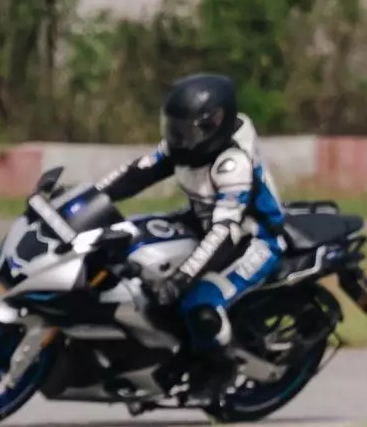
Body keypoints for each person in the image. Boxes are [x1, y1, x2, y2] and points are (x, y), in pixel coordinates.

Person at [87, 72, 292, 370]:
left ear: (214, 124)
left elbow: (223, 235)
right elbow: (137, 173)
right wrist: (88, 198)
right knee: (131, 240)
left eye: (185, 130)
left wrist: (180, 280)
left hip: (252, 238)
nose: (177, 137)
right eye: (173, 127)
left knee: (199, 305)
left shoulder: (232, 165)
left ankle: (218, 371)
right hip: (204, 220)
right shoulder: (185, 146)